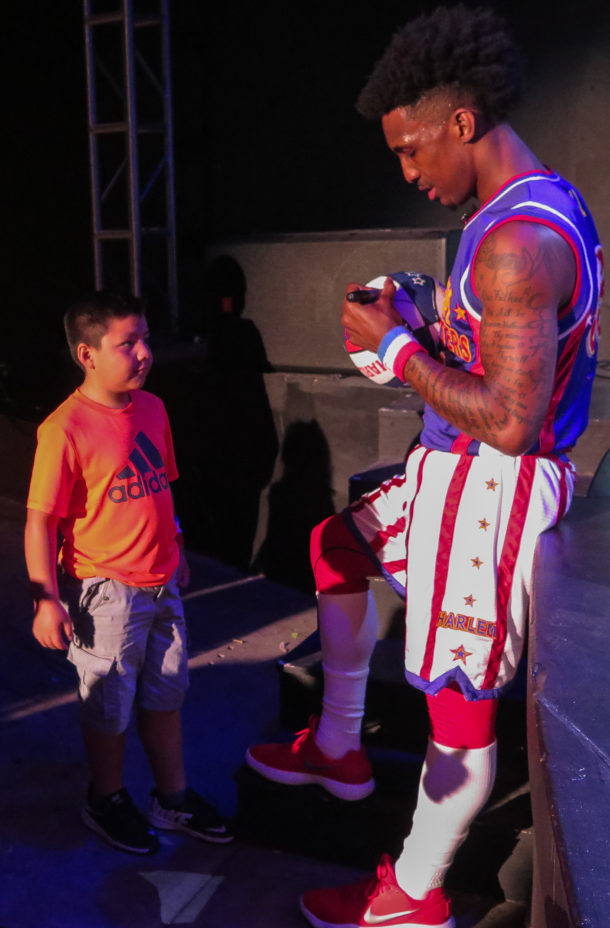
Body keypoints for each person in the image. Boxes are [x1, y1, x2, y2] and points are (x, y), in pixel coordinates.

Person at [245, 5, 603, 926]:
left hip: (492, 484)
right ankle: (339, 747)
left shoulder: (519, 245)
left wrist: (400, 351)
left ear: (461, 121)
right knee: (337, 546)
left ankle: (411, 899)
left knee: (455, 711)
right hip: (458, 469)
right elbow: (496, 354)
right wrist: (417, 315)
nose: (408, 171)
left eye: (411, 150)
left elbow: (514, 421)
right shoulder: (521, 210)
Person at [25, 291, 233, 854]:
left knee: (167, 693)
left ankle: (173, 796)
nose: (143, 352)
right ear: (87, 354)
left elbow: (162, 487)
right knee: (108, 703)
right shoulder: (64, 428)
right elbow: (40, 520)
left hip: (162, 584)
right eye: (127, 343)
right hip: (104, 591)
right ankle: (107, 796)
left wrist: (179, 545)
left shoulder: (153, 409)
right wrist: (47, 597)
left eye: (144, 339)